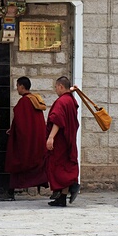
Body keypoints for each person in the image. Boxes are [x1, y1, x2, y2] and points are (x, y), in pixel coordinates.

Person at [0, 76, 48, 200]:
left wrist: (13, 133)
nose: (17, 89)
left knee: (16, 162)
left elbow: (20, 124)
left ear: (22, 86)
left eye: (17, 86)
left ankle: (10, 192)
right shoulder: (35, 100)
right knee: (38, 164)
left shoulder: (24, 102)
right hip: (36, 140)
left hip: (24, 141)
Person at [45, 76, 80, 207]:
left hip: (60, 140)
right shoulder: (70, 99)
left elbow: (58, 120)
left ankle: (72, 185)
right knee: (66, 165)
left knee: (58, 168)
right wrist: (72, 89)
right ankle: (62, 198)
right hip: (68, 139)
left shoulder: (61, 101)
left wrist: (51, 137)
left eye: (56, 87)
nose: (55, 90)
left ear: (60, 86)